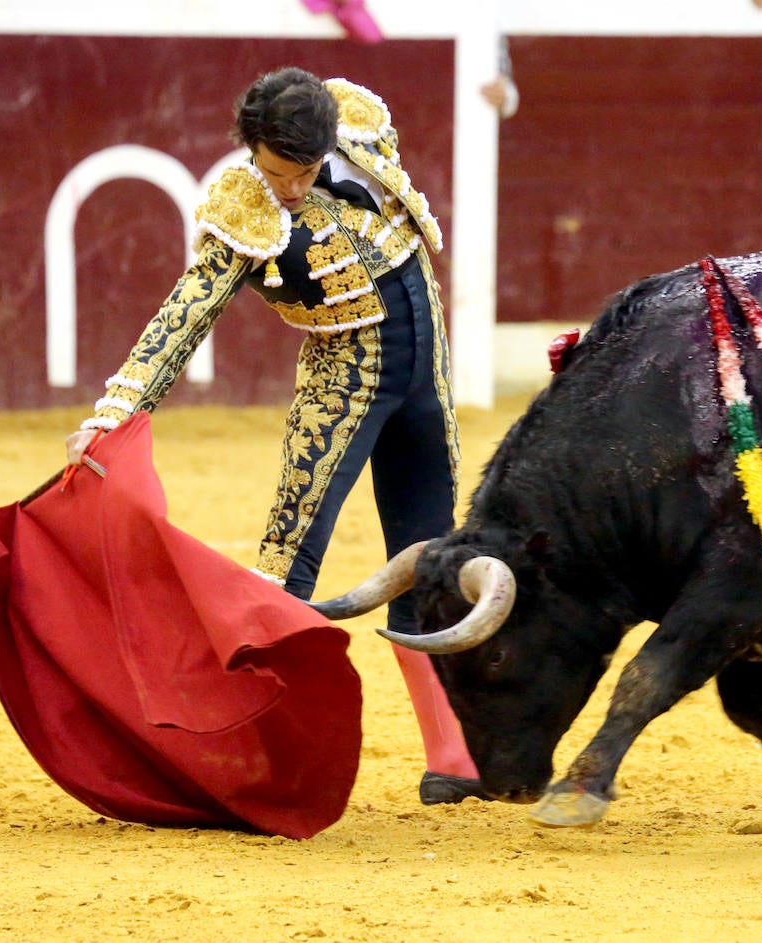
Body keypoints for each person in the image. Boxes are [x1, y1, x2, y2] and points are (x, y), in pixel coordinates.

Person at [64, 67, 485, 805]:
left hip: (427, 375)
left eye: (301, 171)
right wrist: (117, 408)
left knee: (429, 551)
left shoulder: (360, 126)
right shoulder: (244, 209)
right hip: (343, 384)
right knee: (290, 562)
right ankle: (249, 759)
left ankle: (453, 754)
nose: (286, 187)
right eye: (272, 169)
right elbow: (186, 313)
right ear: (249, 149)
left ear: (329, 145)